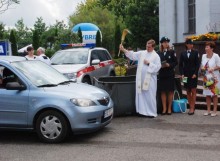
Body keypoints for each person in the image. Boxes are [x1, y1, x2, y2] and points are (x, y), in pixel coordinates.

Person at [120, 39, 161, 117]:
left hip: (150, 81)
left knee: (150, 96)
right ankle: (142, 112)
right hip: (140, 79)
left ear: (153, 47)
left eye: (149, 47)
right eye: (146, 46)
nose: (147, 48)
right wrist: (123, 49)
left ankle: (151, 113)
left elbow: (158, 67)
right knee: (141, 95)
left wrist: (149, 64)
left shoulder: (156, 56)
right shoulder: (142, 53)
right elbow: (132, 55)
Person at [179, 39, 200, 115]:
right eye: (190, 44)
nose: (191, 45)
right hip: (185, 75)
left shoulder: (195, 53)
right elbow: (180, 65)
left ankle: (192, 107)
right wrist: (182, 74)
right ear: (186, 45)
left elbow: (197, 64)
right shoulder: (182, 53)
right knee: (187, 90)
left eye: (192, 44)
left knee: (193, 90)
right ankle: (191, 106)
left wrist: (195, 73)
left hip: (193, 75)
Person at [157, 37, 178, 115]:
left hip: (169, 74)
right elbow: (156, 62)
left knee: (170, 91)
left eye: (167, 42)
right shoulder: (158, 53)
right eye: (164, 42)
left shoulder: (172, 52)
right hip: (162, 74)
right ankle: (164, 108)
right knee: (162, 91)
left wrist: (169, 64)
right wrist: (160, 65)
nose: (166, 44)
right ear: (162, 43)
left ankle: (169, 108)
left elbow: (176, 62)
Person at [200, 41, 220, 117]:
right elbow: (202, 65)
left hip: (214, 78)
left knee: (214, 94)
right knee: (207, 94)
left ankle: (214, 110)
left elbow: (219, 66)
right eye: (205, 47)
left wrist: (213, 68)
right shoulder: (203, 56)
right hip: (206, 77)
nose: (206, 48)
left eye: (207, 47)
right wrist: (203, 69)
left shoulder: (216, 56)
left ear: (212, 48)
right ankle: (208, 110)